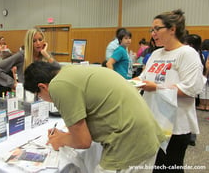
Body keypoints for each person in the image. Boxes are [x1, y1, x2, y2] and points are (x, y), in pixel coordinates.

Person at [24, 61, 166, 173]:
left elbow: (83, 141)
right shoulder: (69, 72)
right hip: (144, 136)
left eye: (39, 96)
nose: (42, 98)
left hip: (128, 144)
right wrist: (69, 134)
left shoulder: (57, 85)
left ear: (43, 87)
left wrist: (60, 139)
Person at [135, 9, 204, 173]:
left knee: (169, 167)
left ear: (172, 29)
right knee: (153, 166)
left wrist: (156, 87)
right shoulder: (156, 54)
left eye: (157, 29)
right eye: (151, 30)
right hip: (154, 121)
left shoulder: (187, 54)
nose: (153, 34)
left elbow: (191, 88)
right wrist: (129, 82)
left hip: (176, 126)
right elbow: (144, 77)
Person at [0, 27, 55, 96]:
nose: (38, 43)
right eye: (34, 41)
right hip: (26, 96)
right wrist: (13, 83)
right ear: (29, 42)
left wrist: (46, 55)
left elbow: (58, 72)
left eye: (40, 40)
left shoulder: (46, 56)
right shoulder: (22, 56)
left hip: (43, 97)